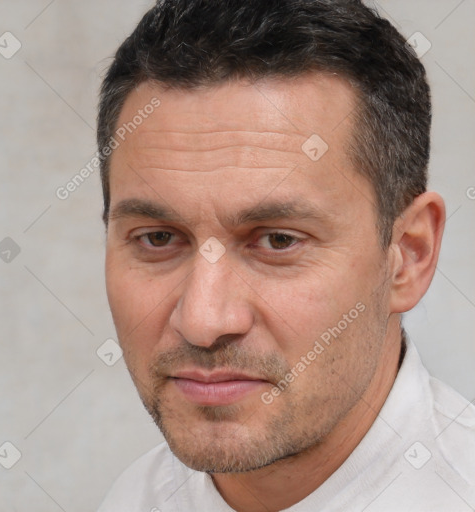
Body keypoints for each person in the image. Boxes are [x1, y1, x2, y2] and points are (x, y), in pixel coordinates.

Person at [96, 0, 475, 510]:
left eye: (278, 240)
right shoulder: (132, 499)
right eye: (158, 239)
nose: (203, 321)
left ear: (408, 254)